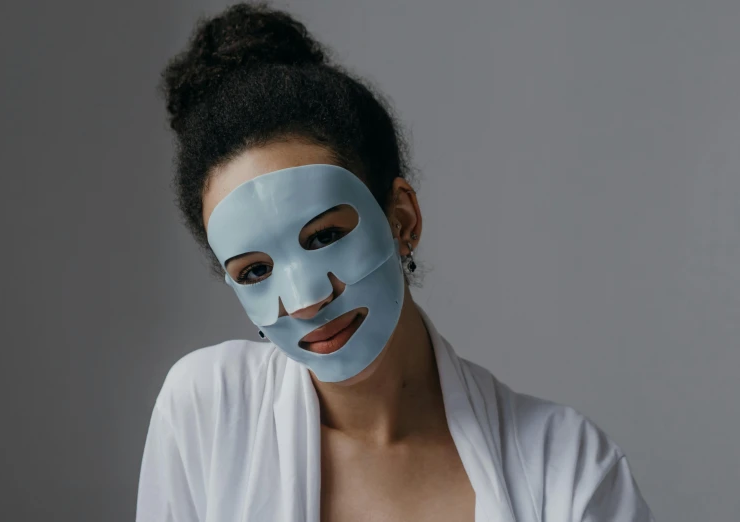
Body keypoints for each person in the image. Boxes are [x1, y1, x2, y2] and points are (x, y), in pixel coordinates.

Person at [136, 3, 655, 521]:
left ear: (402, 218)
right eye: (254, 271)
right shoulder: (207, 412)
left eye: (324, 237)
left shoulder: (569, 469)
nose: (304, 300)